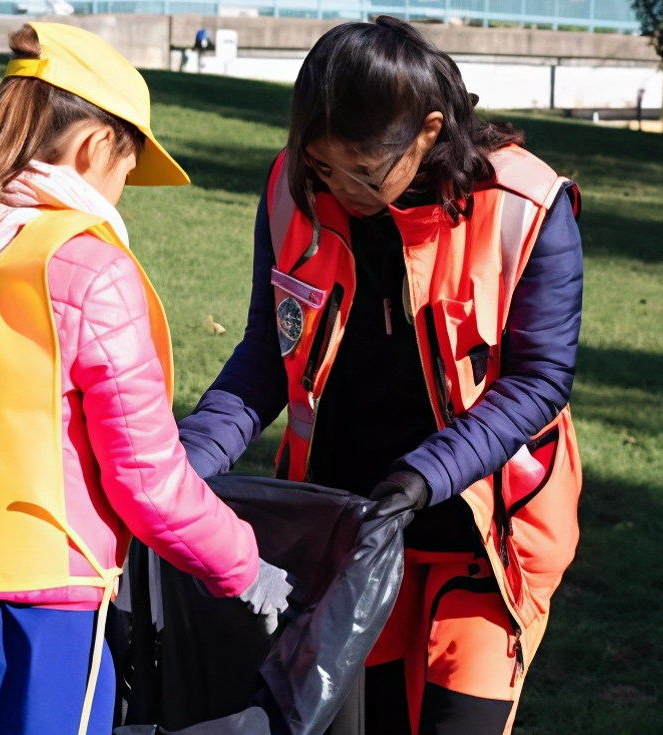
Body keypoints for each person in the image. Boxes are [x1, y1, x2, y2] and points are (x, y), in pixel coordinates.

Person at [0, 24, 292, 735]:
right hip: (39, 622)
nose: (124, 194)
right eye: (128, 170)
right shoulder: (87, 267)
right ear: (94, 148)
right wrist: (243, 565)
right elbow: (146, 480)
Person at [178, 18, 584, 735]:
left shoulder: (527, 207)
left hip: (485, 544)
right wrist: (183, 465)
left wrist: (424, 474)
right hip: (346, 531)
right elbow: (269, 352)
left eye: (362, 171)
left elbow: (540, 379)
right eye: (320, 167)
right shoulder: (289, 190)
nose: (338, 188)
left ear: (429, 131)